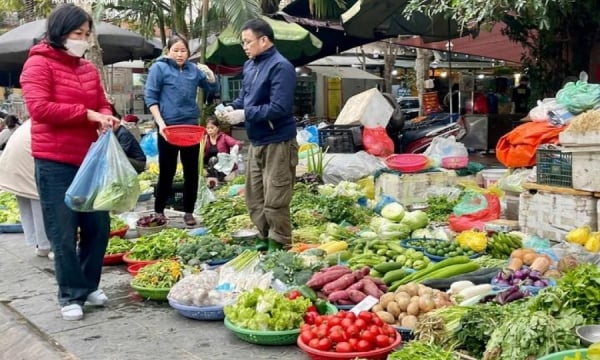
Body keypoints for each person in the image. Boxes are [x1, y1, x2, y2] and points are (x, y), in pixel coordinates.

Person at [19, 4, 120, 321]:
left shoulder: (88, 69)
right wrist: (86, 114)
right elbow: (39, 109)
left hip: (89, 159)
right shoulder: (37, 65)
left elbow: (100, 100)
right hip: (55, 161)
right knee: (63, 232)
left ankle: (89, 285)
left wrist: (105, 114)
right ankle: (69, 295)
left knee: (97, 227)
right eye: (78, 34)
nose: (83, 40)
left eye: (87, 34)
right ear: (60, 33)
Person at [220, 18, 298, 252]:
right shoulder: (250, 65)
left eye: (248, 41)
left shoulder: (280, 66)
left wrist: (246, 114)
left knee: (275, 199)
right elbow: (245, 98)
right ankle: (264, 239)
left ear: (264, 40)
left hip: (278, 141)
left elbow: (280, 107)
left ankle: (280, 245)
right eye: (243, 42)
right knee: (255, 199)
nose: (245, 46)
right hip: (256, 141)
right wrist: (231, 108)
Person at [144, 34, 219, 227]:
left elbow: (212, 88)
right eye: (175, 50)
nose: (179, 54)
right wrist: (161, 124)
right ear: (168, 51)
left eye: (183, 50)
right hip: (167, 128)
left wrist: (210, 76)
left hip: (190, 128)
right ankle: (159, 211)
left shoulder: (193, 70)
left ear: (188, 52)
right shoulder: (159, 68)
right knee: (167, 171)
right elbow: (151, 98)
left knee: (192, 172)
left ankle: (188, 212)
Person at [0, 119, 53, 260]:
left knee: (27, 201)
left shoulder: (36, 118)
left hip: (13, 162)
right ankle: (47, 245)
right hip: (28, 160)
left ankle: (39, 243)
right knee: (42, 204)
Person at [204, 117, 242, 183]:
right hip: (208, 166)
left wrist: (235, 148)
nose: (210, 130)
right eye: (208, 128)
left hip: (222, 165)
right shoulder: (205, 139)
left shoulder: (223, 137)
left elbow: (237, 143)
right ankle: (215, 180)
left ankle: (217, 180)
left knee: (214, 159)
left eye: (212, 128)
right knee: (212, 160)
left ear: (218, 128)